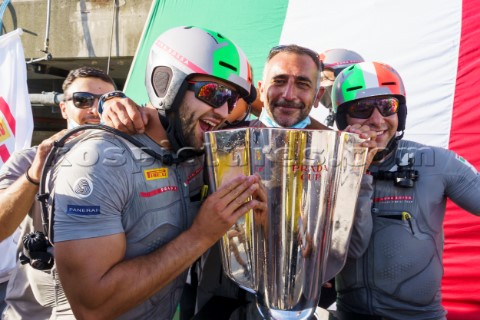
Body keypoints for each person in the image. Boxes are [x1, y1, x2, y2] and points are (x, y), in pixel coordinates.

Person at [44, 26, 266, 320]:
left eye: (232, 99)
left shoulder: (193, 154)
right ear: (166, 84)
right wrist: (201, 235)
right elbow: (91, 307)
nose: (224, 111)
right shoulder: (96, 161)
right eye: (213, 92)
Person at [330, 61, 480, 320]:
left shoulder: (437, 162)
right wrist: (353, 169)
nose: (377, 120)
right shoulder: (326, 165)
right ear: (343, 119)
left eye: (388, 106)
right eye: (362, 109)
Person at [0, 66, 116, 319]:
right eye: (83, 100)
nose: (95, 110)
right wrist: (36, 172)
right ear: (64, 107)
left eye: (106, 101)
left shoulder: (131, 162)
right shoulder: (28, 160)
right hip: (35, 309)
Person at [310, 48, 364, 127]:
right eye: (318, 79)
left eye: (326, 77)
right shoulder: (336, 118)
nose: (321, 84)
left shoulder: (366, 117)